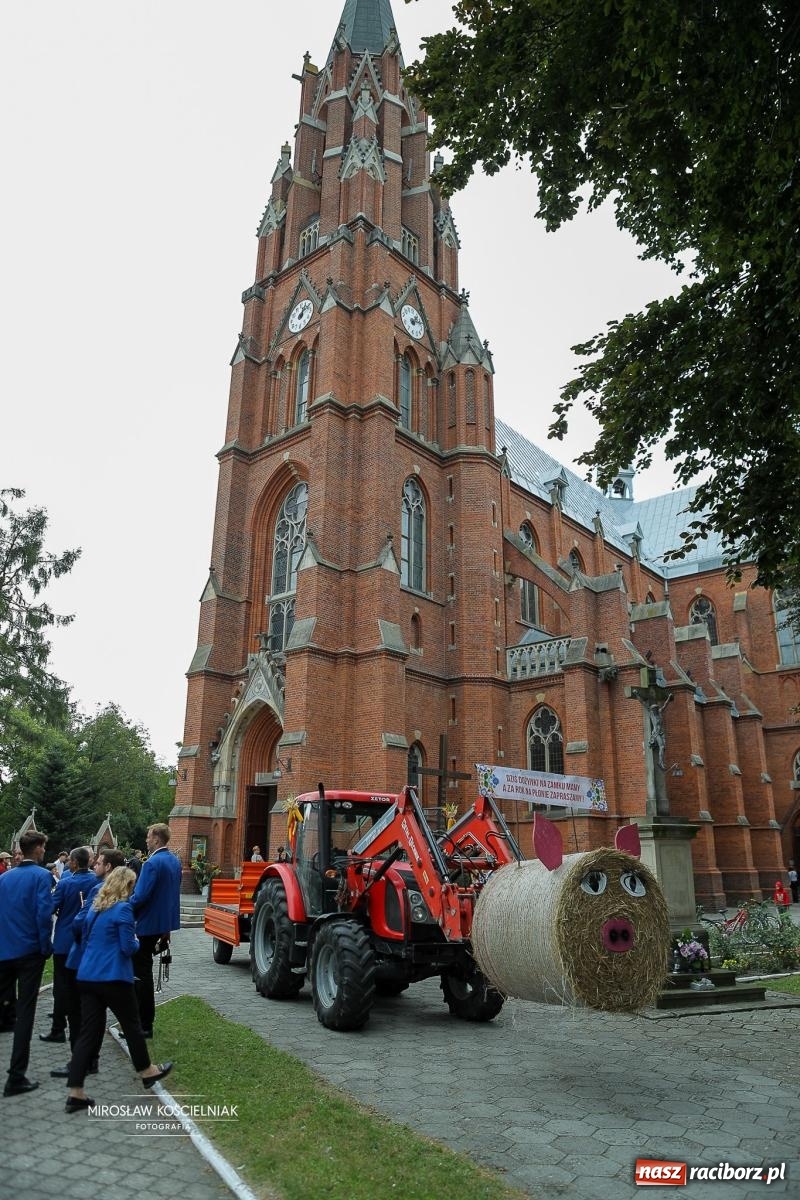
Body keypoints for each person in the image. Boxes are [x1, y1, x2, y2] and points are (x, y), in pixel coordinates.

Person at [65, 867, 173, 1112]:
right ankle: (147, 1071)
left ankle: (76, 1091)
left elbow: (82, 933)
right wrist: (136, 940)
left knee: (88, 1033)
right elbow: (127, 948)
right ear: (126, 886)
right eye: (132, 886)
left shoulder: (95, 908)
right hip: (113, 976)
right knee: (132, 1025)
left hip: (88, 976)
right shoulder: (123, 909)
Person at [48, 847, 126, 1081]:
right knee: (95, 1011)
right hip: (101, 959)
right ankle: (91, 1059)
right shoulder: (118, 890)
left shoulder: (94, 888)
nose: (95, 866)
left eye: (99, 862)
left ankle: (80, 1061)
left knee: (77, 1009)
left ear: (108, 867)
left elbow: (80, 922)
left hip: (79, 952)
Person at [0, 830, 53, 1096]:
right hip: (30, 951)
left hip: (4, 950)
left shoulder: (5, 877)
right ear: (38, 848)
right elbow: (43, 915)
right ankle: (16, 1076)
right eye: (44, 848)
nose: (44, 852)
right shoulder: (42, 876)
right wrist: (46, 947)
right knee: (25, 1012)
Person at [40, 846, 96, 1046]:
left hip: (65, 940)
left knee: (62, 985)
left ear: (73, 862)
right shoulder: (96, 881)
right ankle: (83, 1025)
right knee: (82, 985)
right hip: (86, 941)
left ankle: (58, 1028)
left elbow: (51, 907)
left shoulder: (65, 883)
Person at [130, 823, 181, 1037]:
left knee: (140, 975)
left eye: (149, 837)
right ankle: (144, 1023)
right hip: (162, 925)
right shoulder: (174, 861)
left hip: (146, 925)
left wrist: (123, 907)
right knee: (144, 971)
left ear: (157, 839)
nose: (146, 840)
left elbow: (141, 896)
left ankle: (144, 1024)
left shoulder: (152, 863)